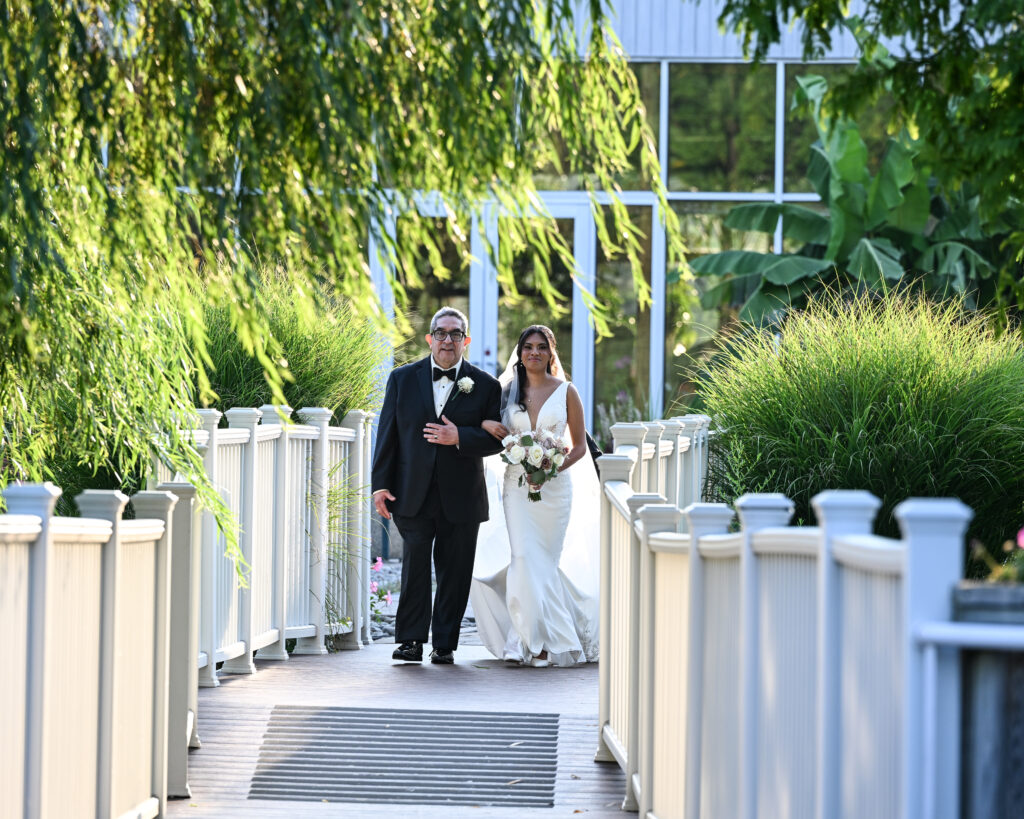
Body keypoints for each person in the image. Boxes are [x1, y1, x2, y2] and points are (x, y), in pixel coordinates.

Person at [372, 307, 503, 665]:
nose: (448, 340)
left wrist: (458, 436)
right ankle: (411, 640)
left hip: (462, 493)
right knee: (414, 564)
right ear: (430, 338)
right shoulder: (401, 378)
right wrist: (380, 485)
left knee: (455, 570)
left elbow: (497, 440)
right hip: (411, 490)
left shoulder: (487, 386)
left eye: (455, 334)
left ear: (466, 340)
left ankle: (444, 643)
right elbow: (388, 434)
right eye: (441, 333)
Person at [470, 325, 600, 667]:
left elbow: (581, 446)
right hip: (516, 487)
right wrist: (487, 427)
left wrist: (550, 469)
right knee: (524, 559)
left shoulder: (567, 391)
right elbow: (480, 420)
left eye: (542, 347)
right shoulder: (507, 392)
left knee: (544, 564)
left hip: (555, 491)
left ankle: (528, 640)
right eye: (528, 347)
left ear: (551, 352)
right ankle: (532, 642)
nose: (534, 353)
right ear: (520, 352)